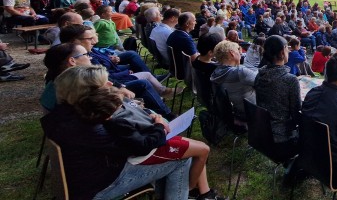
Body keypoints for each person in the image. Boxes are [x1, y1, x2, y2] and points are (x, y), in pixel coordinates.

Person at [40, 66, 192, 200]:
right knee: (181, 158)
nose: (111, 84)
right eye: (104, 83)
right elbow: (140, 148)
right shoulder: (91, 125)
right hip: (98, 188)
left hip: (82, 178)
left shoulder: (64, 114)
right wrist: (158, 127)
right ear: (87, 92)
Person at [75, 85, 225, 200]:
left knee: (192, 150)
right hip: (145, 152)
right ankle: (191, 191)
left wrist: (151, 117)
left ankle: (198, 192)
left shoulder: (107, 117)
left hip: (148, 142)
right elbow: (143, 145)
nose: (122, 107)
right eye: (119, 107)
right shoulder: (117, 123)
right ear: (108, 115)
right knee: (188, 156)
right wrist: (159, 126)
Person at [254, 35, 301, 159]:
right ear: (281, 53)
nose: (289, 52)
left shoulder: (260, 75)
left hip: (262, 133)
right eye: (287, 49)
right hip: (283, 140)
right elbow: (297, 115)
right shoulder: (290, 80)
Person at [210, 41, 257, 121]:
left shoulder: (216, 73)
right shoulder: (240, 72)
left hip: (236, 112)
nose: (240, 54)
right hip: (253, 112)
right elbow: (263, 80)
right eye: (238, 51)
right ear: (232, 53)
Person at [40, 42, 91, 110]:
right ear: (72, 61)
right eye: (86, 54)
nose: (90, 57)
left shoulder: (54, 84)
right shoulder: (76, 89)